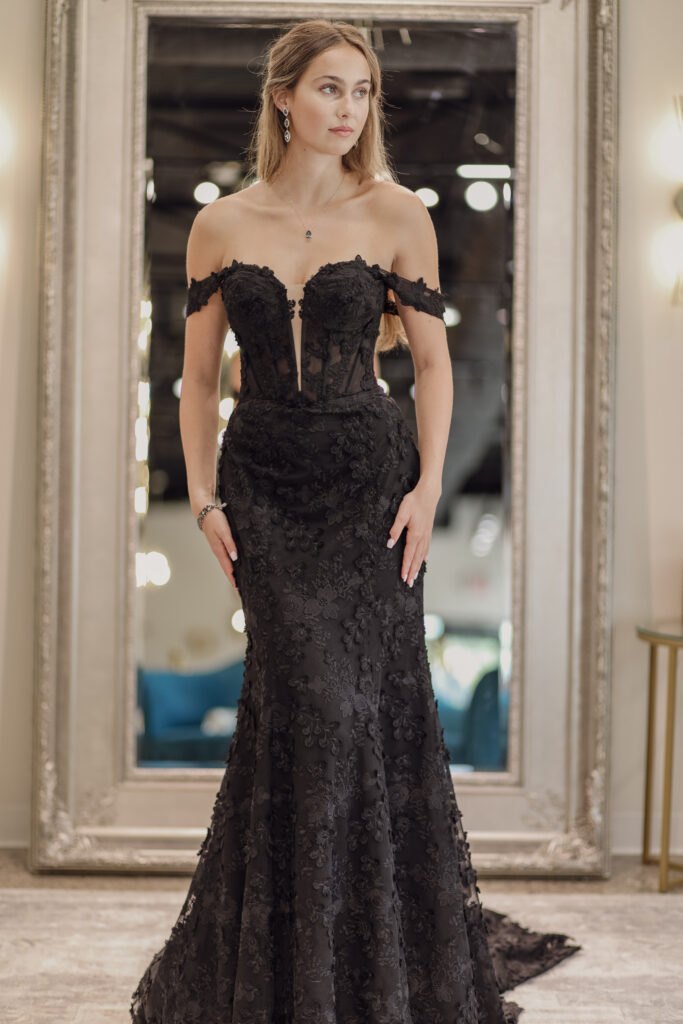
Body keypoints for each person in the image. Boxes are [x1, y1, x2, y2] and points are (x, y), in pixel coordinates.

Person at [130, 18, 580, 1024]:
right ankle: (291, 962)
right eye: (329, 89)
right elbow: (196, 383)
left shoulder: (396, 214)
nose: (346, 109)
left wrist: (423, 489)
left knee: (358, 707)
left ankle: (366, 954)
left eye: (360, 93)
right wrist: (201, 494)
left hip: (368, 484)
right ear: (282, 97)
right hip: (265, 484)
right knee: (297, 703)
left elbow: (428, 365)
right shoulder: (222, 226)